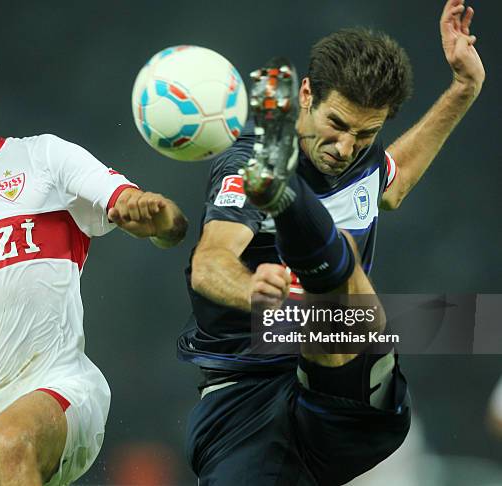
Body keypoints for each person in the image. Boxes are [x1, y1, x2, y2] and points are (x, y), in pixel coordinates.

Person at [177, 0, 485, 484]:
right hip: (245, 393)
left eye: (365, 134)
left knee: (335, 315)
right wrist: (249, 291)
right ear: (305, 94)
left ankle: (288, 199)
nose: (345, 148)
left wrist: (465, 87)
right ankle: (290, 201)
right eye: (337, 125)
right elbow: (209, 261)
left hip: (347, 383)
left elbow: (394, 182)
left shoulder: (358, 162)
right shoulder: (243, 166)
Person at [0, 19, 187, 486]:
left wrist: (157, 218)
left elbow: (152, 219)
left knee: (8, 442)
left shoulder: (44, 159)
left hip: (61, 393)